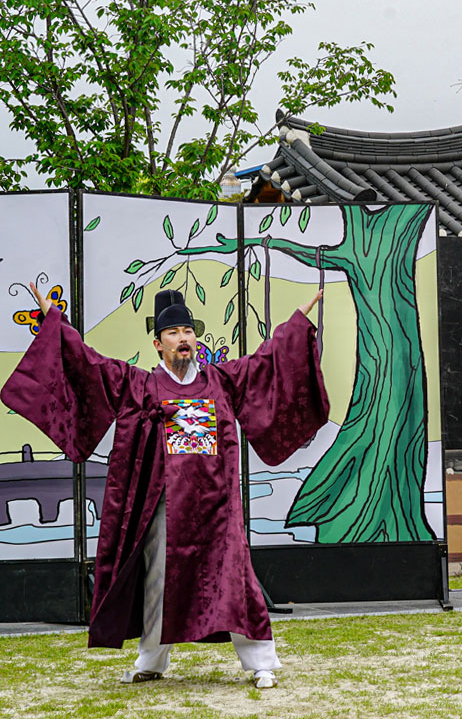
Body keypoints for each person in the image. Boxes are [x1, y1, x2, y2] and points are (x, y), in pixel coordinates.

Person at [1, 285, 329, 689]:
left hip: (217, 506)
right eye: (174, 333)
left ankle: (262, 662)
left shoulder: (220, 381)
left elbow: (267, 360)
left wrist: (297, 322)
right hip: (165, 507)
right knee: (158, 580)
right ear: (158, 344)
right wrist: (55, 321)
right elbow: (89, 364)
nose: (184, 338)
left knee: (236, 580)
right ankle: (151, 661)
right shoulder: (140, 386)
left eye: (189, 331)